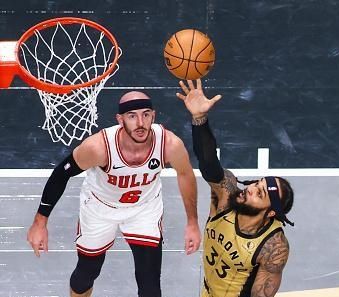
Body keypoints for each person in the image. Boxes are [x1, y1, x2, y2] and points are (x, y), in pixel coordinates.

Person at [27, 91, 201, 297]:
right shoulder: (98, 147)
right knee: (86, 274)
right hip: (100, 208)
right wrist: (40, 223)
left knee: (150, 284)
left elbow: (185, 174)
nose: (140, 123)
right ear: (120, 119)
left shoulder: (169, 144)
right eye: (132, 116)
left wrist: (192, 222)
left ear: (153, 116)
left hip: (143, 208)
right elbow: (61, 174)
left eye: (146, 115)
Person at [176, 79, 294, 297]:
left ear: (270, 212)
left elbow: (260, 295)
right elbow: (208, 163)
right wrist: (199, 118)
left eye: (259, 194)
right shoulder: (227, 196)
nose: (250, 190)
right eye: (256, 185)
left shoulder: (273, 247)